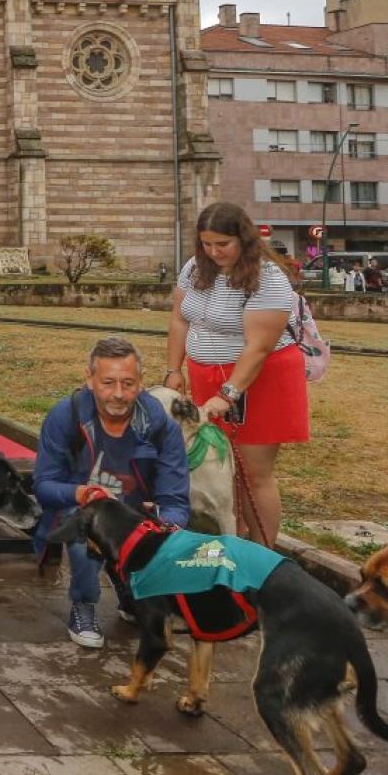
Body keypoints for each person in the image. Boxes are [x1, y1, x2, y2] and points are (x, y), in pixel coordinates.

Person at [32, 336, 191, 650]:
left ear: (142, 383)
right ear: (89, 379)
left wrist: (163, 529)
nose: (118, 394)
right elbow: (44, 485)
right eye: (108, 382)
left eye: (128, 383)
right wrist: (79, 493)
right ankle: (84, 604)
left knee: (168, 532)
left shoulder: (162, 427)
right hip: (82, 510)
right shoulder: (66, 416)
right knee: (83, 525)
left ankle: (136, 593)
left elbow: (176, 500)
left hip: (135, 517)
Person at [165, 201, 309, 549]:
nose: (214, 252)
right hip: (207, 375)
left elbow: (258, 347)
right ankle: (229, 540)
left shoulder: (268, 277)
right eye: (206, 244)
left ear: (242, 239)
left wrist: (228, 394)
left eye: (222, 244)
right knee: (219, 466)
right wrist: (174, 369)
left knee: (253, 473)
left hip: (258, 378)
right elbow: (180, 319)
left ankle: (261, 555)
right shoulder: (195, 268)